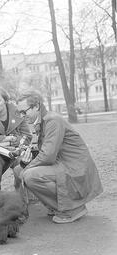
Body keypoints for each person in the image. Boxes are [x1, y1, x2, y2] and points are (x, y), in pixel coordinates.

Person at [13, 91, 103, 223]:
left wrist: (28, 167)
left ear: (36, 106)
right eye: (19, 112)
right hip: (63, 164)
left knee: (29, 175)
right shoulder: (43, 121)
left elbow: (48, 156)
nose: (22, 116)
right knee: (18, 170)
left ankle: (72, 209)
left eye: (24, 112)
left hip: (74, 168)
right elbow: (47, 151)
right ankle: (56, 206)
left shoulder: (52, 120)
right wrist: (26, 160)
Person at [0, 86, 32, 190]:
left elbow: (27, 136)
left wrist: (13, 143)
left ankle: (20, 193)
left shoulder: (17, 112)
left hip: (17, 150)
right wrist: (6, 139)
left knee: (24, 160)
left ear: (5, 100)